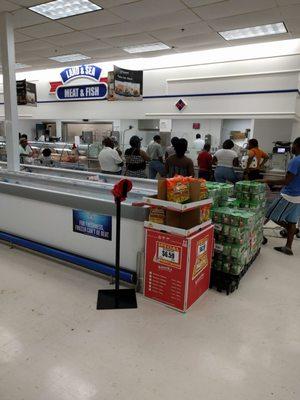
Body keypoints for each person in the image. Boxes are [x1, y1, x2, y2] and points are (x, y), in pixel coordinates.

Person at [263, 137, 300, 256]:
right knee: (292, 221)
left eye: (293, 145)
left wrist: (267, 180)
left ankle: (257, 235)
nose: (291, 148)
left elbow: (287, 180)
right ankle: (288, 247)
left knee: (269, 214)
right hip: (298, 196)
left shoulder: (295, 161)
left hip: (289, 195)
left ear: (297, 146)